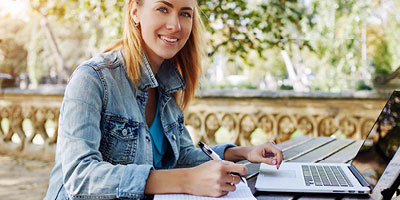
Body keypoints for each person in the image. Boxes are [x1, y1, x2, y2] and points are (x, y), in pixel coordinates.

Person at [44, 0, 283, 199]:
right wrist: (185, 181)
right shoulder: (93, 79)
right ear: (135, 12)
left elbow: (181, 157)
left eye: (185, 13)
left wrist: (243, 152)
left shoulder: (168, 83)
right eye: (163, 9)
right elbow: (80, 177)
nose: (175, 25)